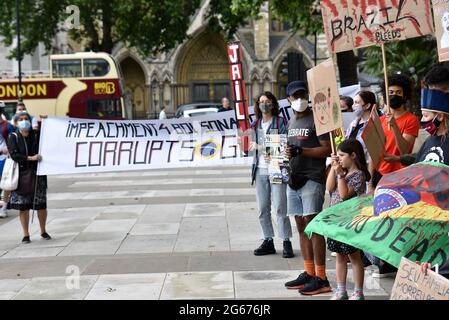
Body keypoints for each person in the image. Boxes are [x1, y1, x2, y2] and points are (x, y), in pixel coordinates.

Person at [365, 74, 420, 278]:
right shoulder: (379, 120)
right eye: (390, 93)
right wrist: (370, 180)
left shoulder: (411, 120)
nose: (394, 96)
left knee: (397, 220)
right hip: (380, 175)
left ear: (405, 95)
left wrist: (395, 126)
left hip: (400, 177)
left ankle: (396, 261)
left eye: (397, 93)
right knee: (380, 219)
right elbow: (374, 152)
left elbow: (405, 148)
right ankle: (382, 260)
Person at [283, 80, 332, 295]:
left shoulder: (317, 119)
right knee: (301, 226)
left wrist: (301, 152)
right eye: (296, 96)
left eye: (303, 95)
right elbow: (290, 148)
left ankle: (321, 277)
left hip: (312, 177)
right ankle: (309, 272)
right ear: (289, 100)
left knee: (314, 226)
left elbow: (326, 149)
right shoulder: (291, 120)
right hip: (293, 177)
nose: (300, 99)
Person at [250, 91, 293, 258]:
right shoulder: (255, 124)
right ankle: (268, 240)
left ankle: (286, 240)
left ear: (273, 104)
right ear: (258, 105)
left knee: (280, 206)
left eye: (267, 101)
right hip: (260, 169)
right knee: (262, 208)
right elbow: (251, 148)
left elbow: (284, 145)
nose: (264, 104)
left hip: (277, 167)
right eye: (261, 101)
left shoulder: (281, 122)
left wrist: (262, 147)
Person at [326, 139, 370, 300]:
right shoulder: (340, 172)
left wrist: (340, 175)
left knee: (354, 256)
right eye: (337, 156)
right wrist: (333, 167)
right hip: (336, 220)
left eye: (342, 156)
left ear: (353, 155)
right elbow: (329, 188)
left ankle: (358, 291)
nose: (340, 159)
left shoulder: (358, 175)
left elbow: (344, 195)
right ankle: (341, 289)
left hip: (350, 221)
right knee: (339, 256)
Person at [384, 64, 449, 166]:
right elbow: (422, 156)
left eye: (438, 92)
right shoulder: (432, 138)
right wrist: (399, 159)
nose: (433, 99)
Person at [7, 112, 50, 243]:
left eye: (26, 119)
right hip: (21, 176)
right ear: (16, 122)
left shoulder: (37, 135)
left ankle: (43, 231)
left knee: (41, 205)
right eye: (21, 119)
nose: (24, 121)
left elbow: (49, 137)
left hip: (38, 175)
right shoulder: (13, 136)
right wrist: (31, 158)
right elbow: (14, 155)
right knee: (23, 207)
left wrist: (46, 121)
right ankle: (26, 234)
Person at [0, 101, 15, 218]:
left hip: (5, 159)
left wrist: (8, 148)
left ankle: (3, 208)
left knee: (5, 184)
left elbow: (12, 143)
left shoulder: (8, 126)